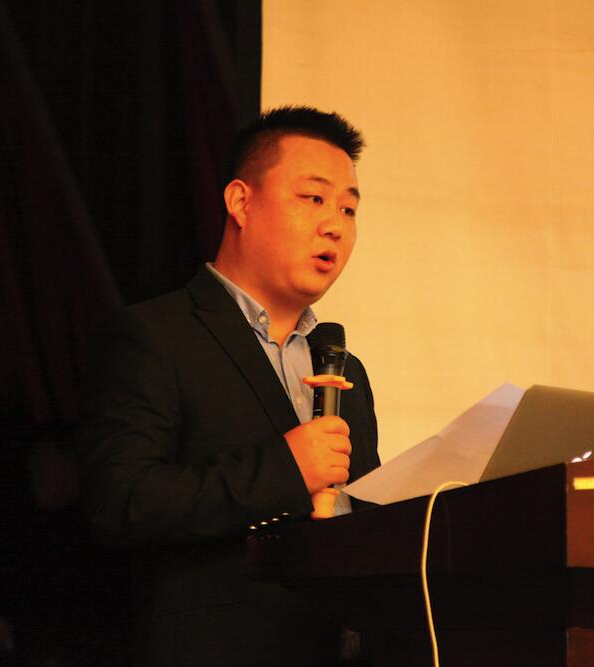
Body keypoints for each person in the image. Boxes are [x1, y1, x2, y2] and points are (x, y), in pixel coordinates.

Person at [78, 107, 380, 666]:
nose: (335, 225)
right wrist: (285, 471)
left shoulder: (345, 371)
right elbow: (121, 501)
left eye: (348, 208)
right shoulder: (156, 335)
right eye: (313, 198)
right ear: (241, 202)